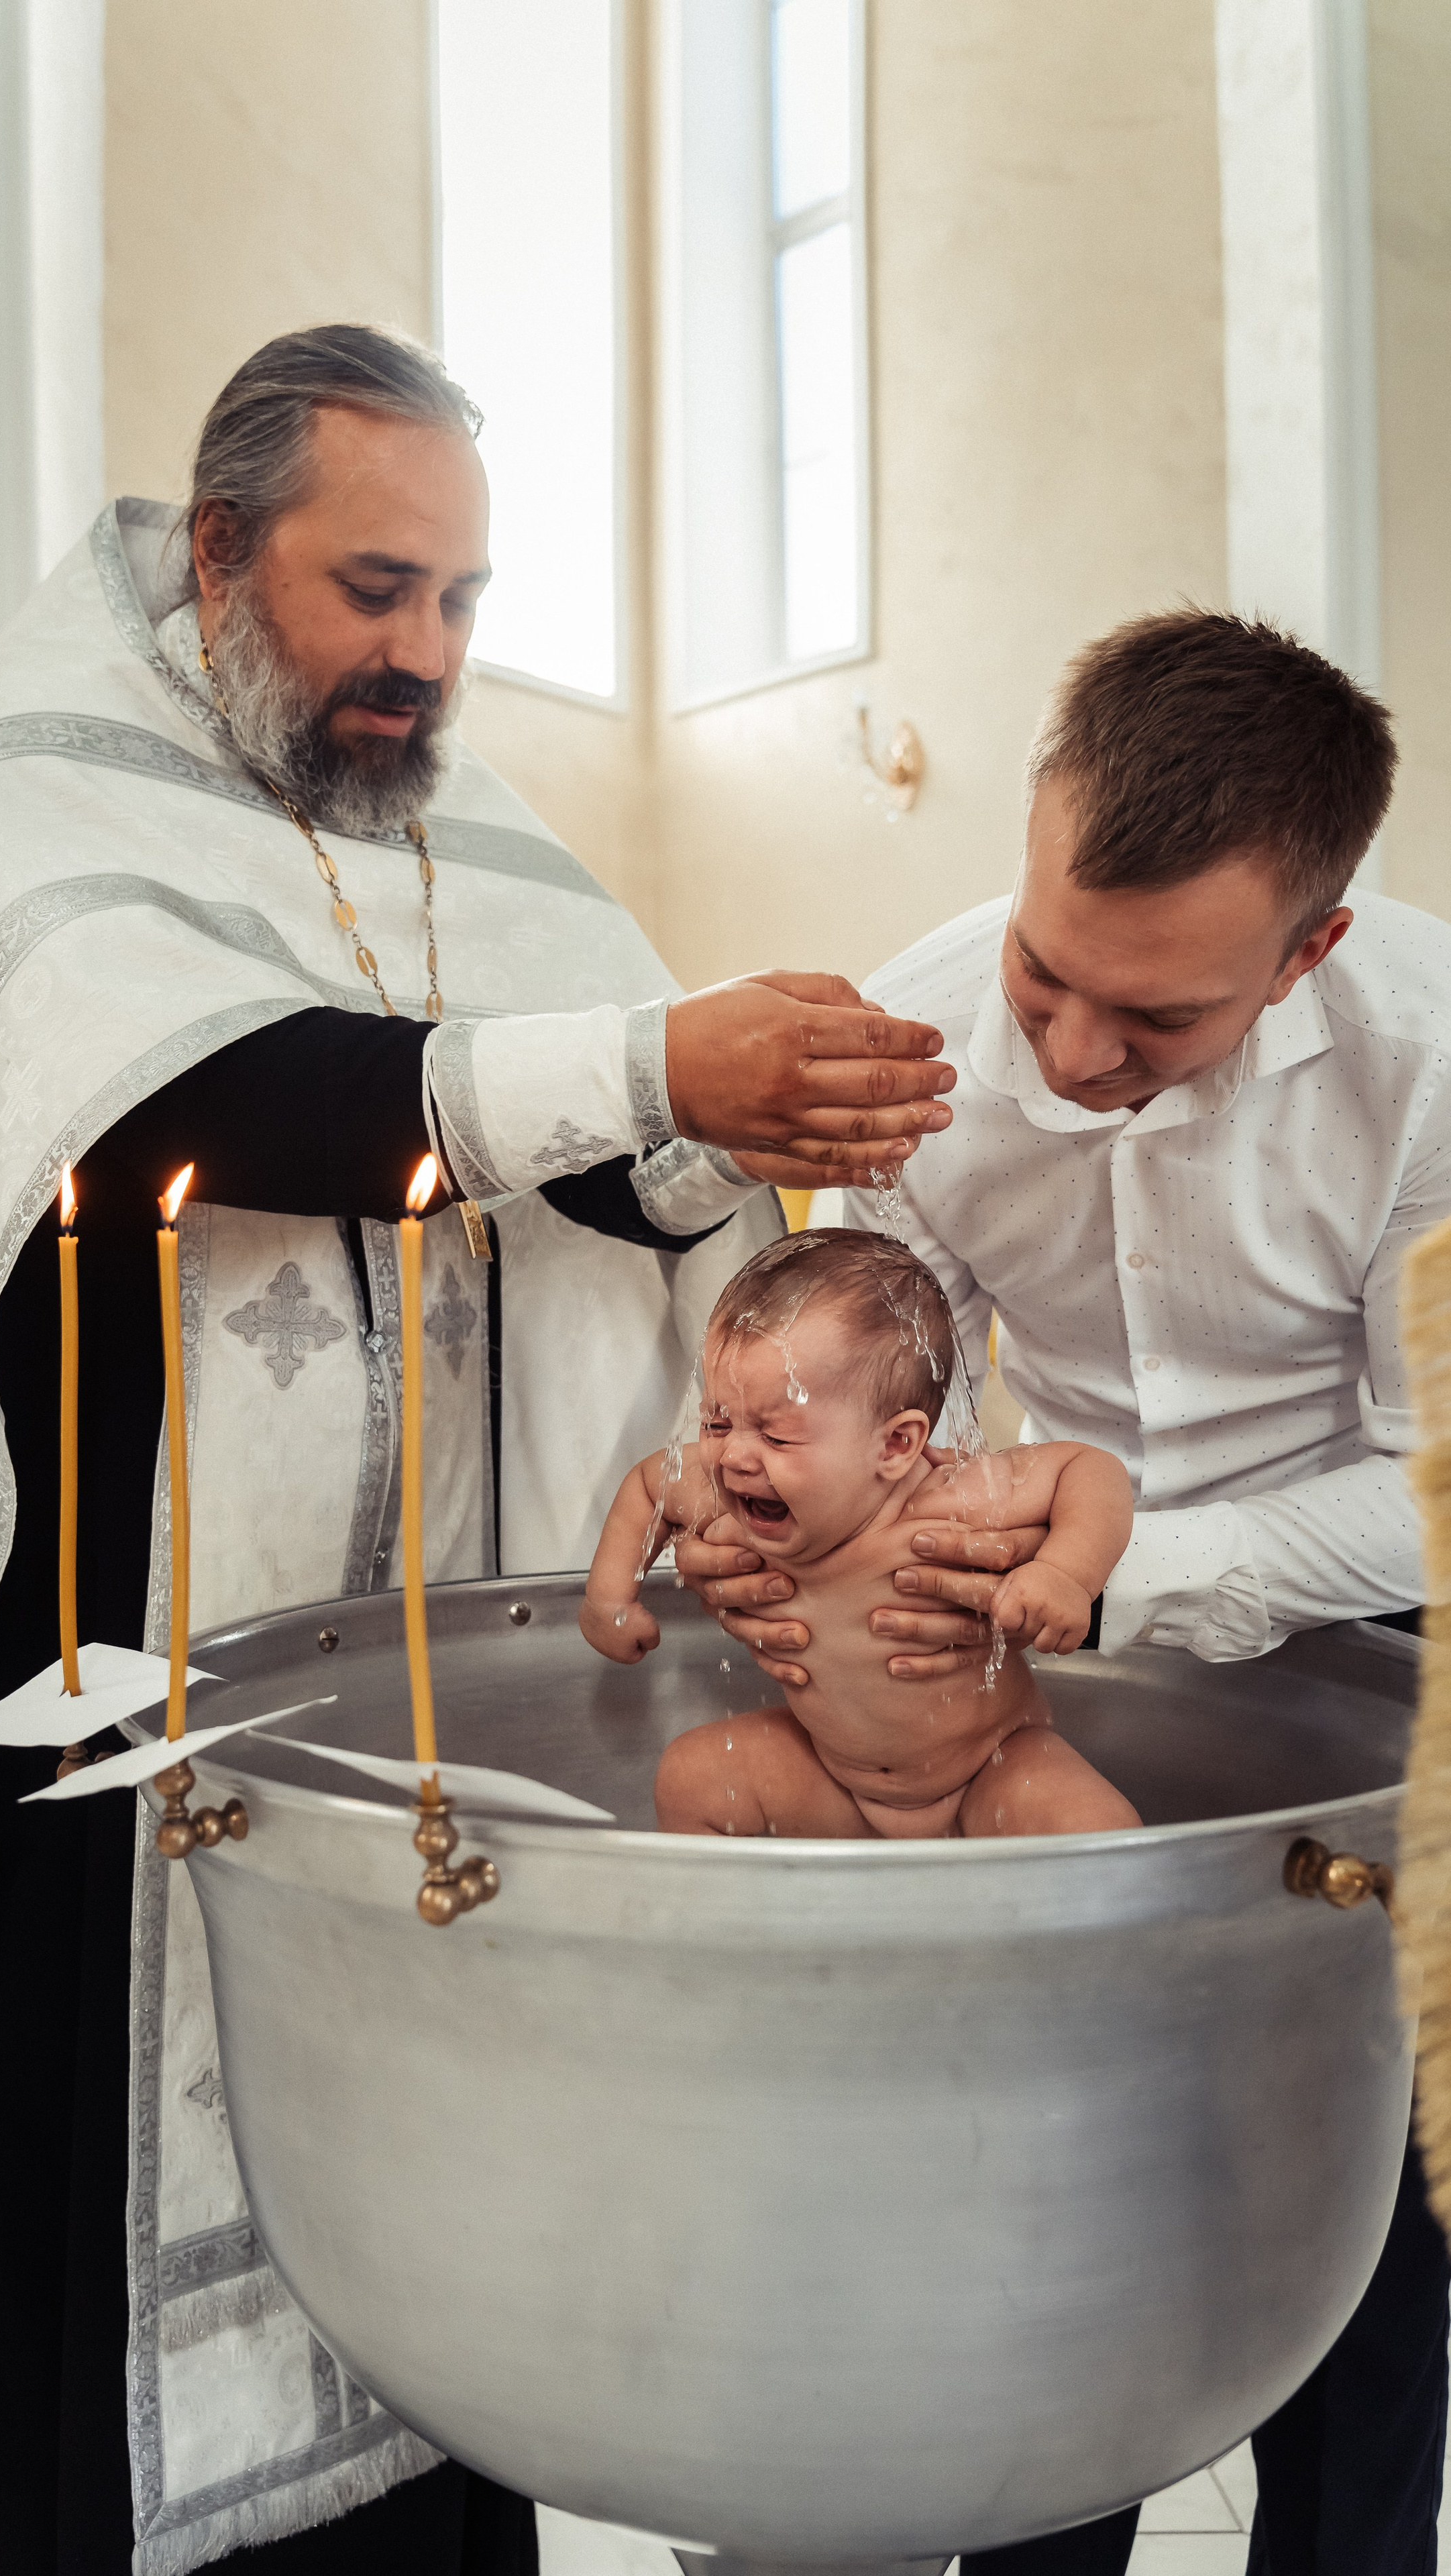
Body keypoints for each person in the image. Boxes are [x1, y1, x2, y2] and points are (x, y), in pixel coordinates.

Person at [0, 326, 957, 2575]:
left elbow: (581, 1153)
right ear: (219, 552)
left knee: (437, 2229)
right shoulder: (38, 788)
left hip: (413, 1694)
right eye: (375, 588)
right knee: (90, 2255)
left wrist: (724, 1124)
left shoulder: (459, 832)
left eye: (467, 603)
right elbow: (200, 1094)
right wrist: (646, 1059)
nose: (426, 659)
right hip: (122, 1688)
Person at [678, 608, 1451, 2573]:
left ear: (1307, 953)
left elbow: (1433, 1491)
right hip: (1050, 1652)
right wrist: (757, 1505)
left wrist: (1136, 1573)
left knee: (1359, 2239)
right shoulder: (925, 1040)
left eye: (1156, 1018)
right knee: (1063, 2209)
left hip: (1377, 1659)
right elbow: (850, 1375)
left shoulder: (1431, 1056)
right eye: (1046, 968)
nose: (1071, 1047)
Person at [583, 1228, 1137, 1839]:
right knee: (692, 1774)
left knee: (1098, 1828)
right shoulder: (722, 1488)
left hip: (988, 1770)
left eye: (776, 1436)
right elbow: (649, 1484)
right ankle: (742, 1929)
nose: (734, 1455)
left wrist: (1064, 1573)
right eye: (718, 1421)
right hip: (832, 1779)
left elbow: (1090, 1471)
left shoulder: (953, 1499)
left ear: (896, 1445)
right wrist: (611, 1598)